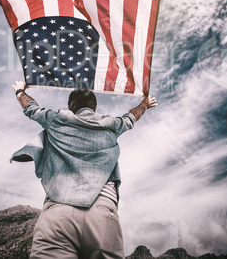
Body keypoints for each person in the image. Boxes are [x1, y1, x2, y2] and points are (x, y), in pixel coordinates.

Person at [11, 80, 157, 259]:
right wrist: (145, 104)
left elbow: (31, 107)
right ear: (94, 106)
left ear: (70, 107)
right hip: (102, 212)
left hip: (58, 211)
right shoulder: (112, 124)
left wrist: (19, 91)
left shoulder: (57, 119)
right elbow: (132, 116)